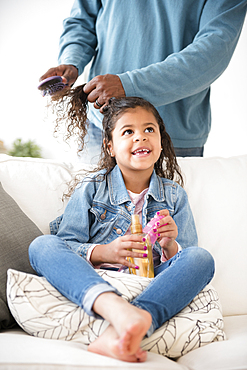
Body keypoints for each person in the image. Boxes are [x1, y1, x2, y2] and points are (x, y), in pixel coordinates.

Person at [29, 96, 215, 362]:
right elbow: (66, 243)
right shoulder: (92, 188)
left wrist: (170, 246)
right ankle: (119, 312)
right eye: (128, 131)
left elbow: (186, 259)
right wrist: (103, 252)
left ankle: (133, 319)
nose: (140, 137)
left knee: (201, 258)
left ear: (161, 142)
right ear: (110, 146)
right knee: (42, 245)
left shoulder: (174, 196)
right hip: (100, 283)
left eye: (149, 129)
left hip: (153, 286)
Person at [40, 0, 247, 162]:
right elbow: (83, 20)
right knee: (94, 209)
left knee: (166, 215)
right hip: (101, 124)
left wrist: (129, 85)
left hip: (170, 133)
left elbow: (212, 52)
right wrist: (71, 60)